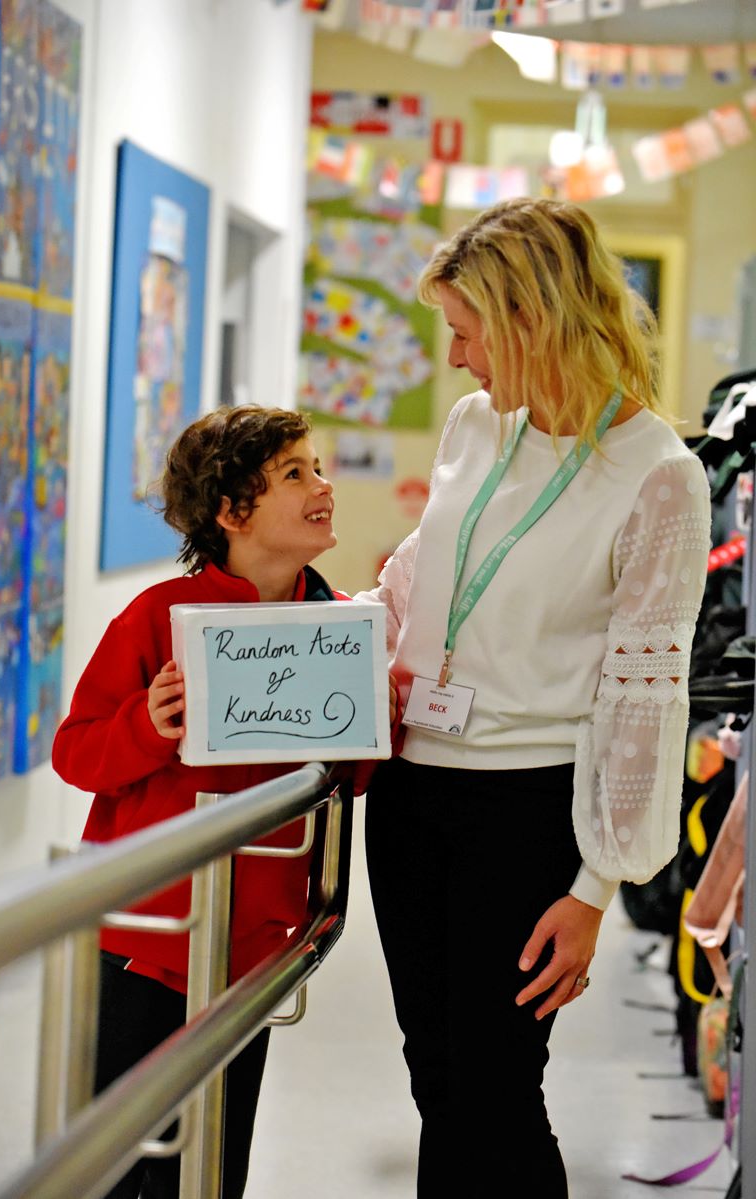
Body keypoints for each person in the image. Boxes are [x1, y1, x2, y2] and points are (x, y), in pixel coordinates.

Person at [359, 198, 711, 1197]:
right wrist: (317, 641)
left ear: (532, 320)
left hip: (528, 811)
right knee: (439, 1078)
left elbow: (642, 697)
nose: (460, 358)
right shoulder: (476, 425)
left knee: (497, 1085)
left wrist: (594, 888)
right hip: (413, 796)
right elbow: (417, 579)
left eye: (468, 333)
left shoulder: (657, 476)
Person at [52, 405, 354, 1199]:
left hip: (246, 955)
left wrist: (375, 722)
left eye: (317, 466)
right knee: (121, 1161)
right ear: (231, 511)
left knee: (214, 1164)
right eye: (296, 473)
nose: (323, 486)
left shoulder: (338, 625)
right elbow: (76, 752)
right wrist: (145, 725)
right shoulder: (157, 620)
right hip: (143, 942)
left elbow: (347, 780)